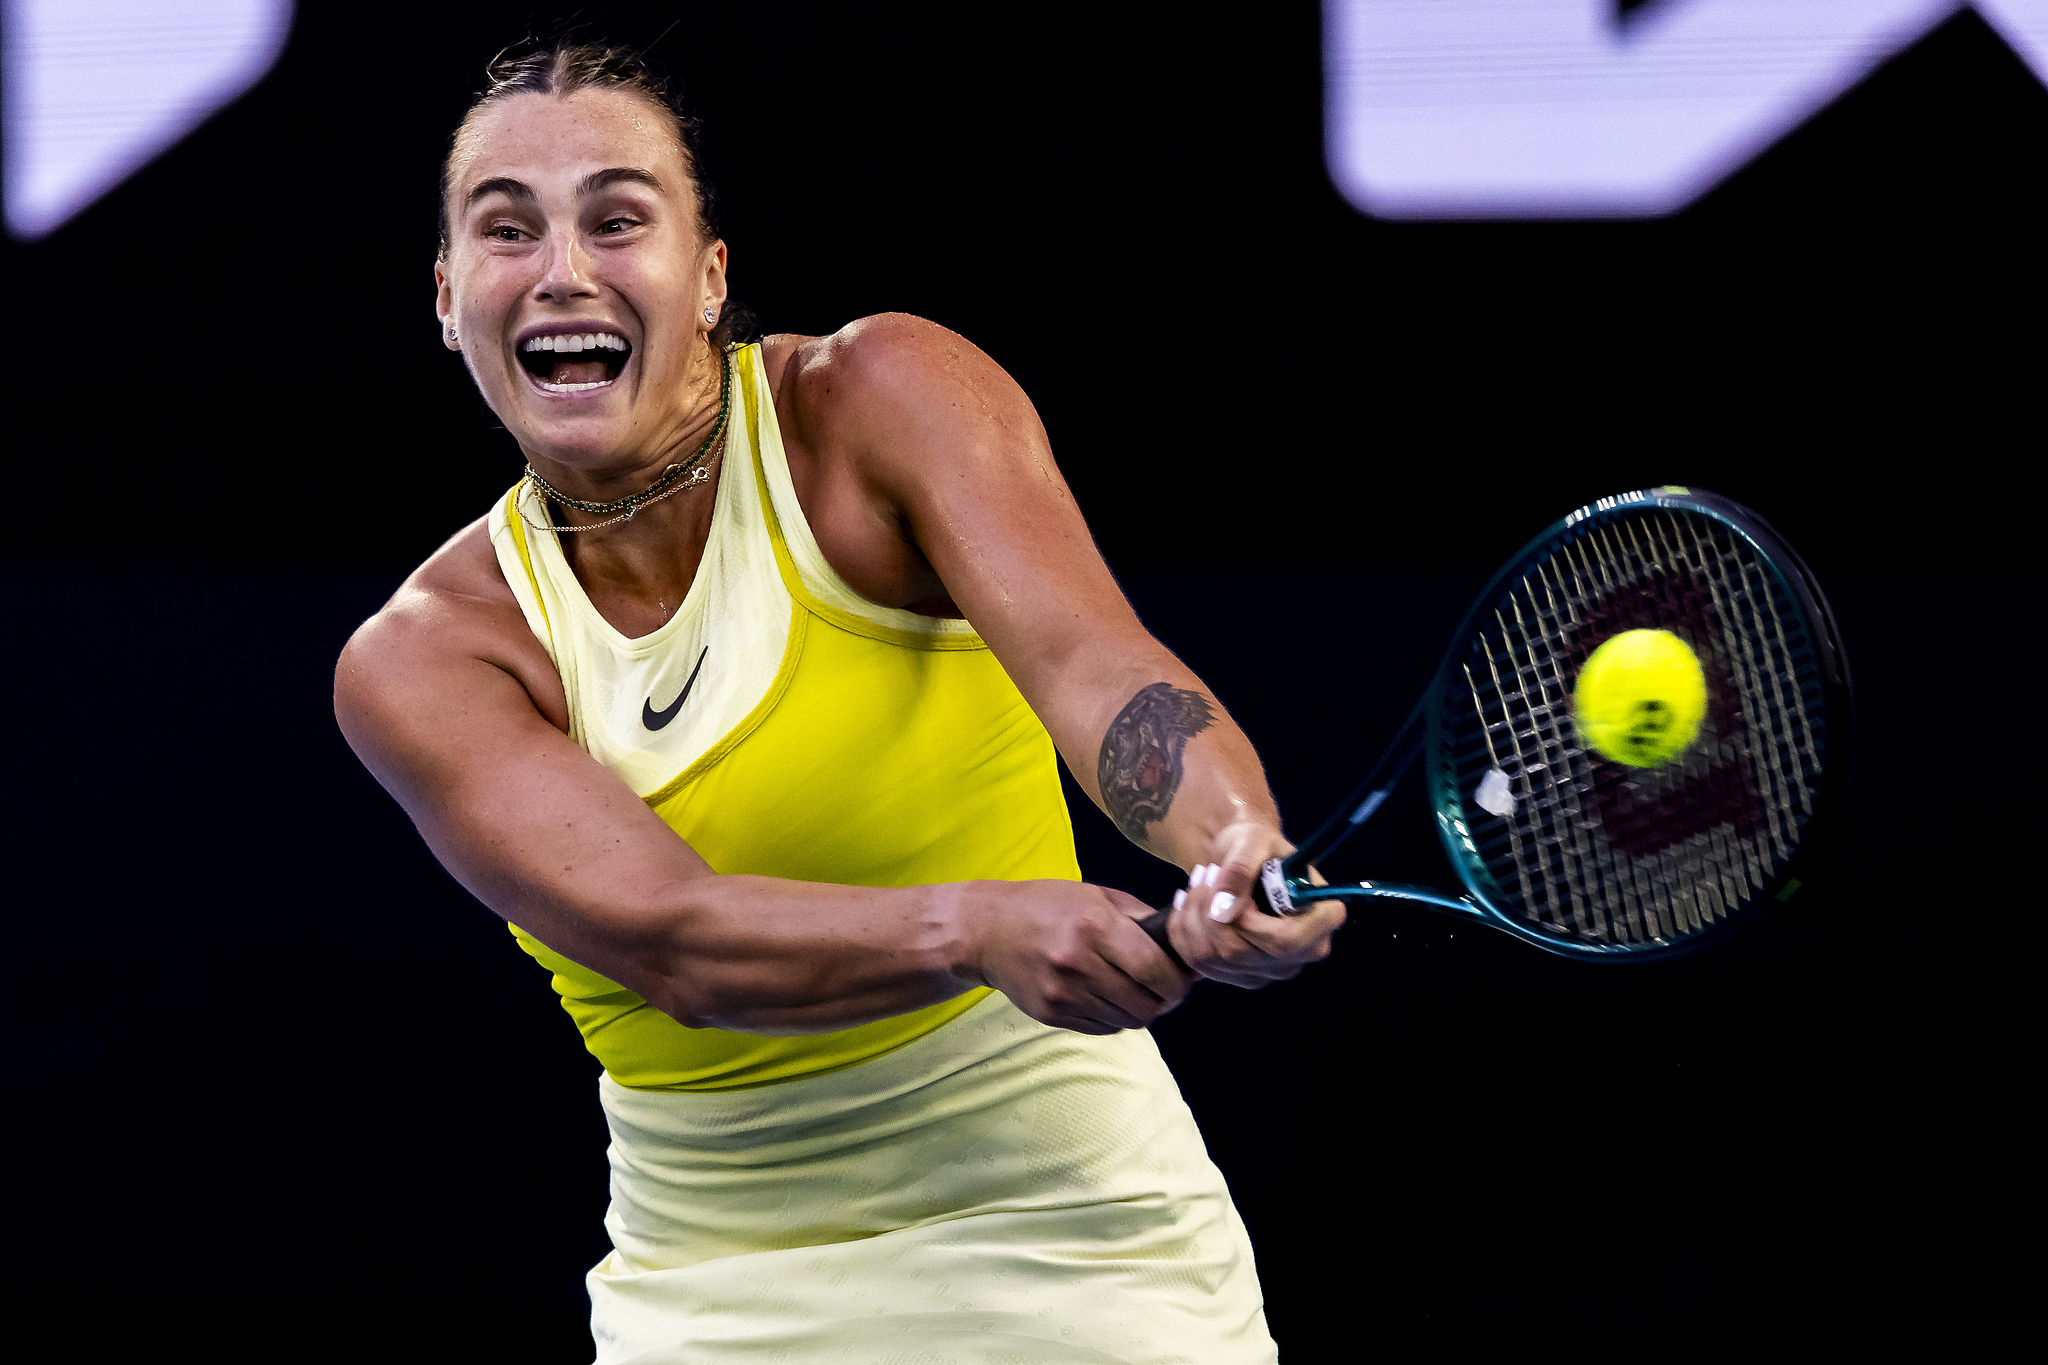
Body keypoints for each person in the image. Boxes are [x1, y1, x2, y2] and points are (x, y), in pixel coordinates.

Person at [334, 36, 1344, 1363]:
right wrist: (976, 926)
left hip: (1082, 1245)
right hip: (722, 1300)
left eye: (617, 220)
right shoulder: (428, 656)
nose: (564, 271)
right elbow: (676, 941)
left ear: (709, 282)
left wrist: (1229, 839)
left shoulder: (881, 404)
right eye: (507, 230)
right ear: (449, 297)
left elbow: (1100, 669)